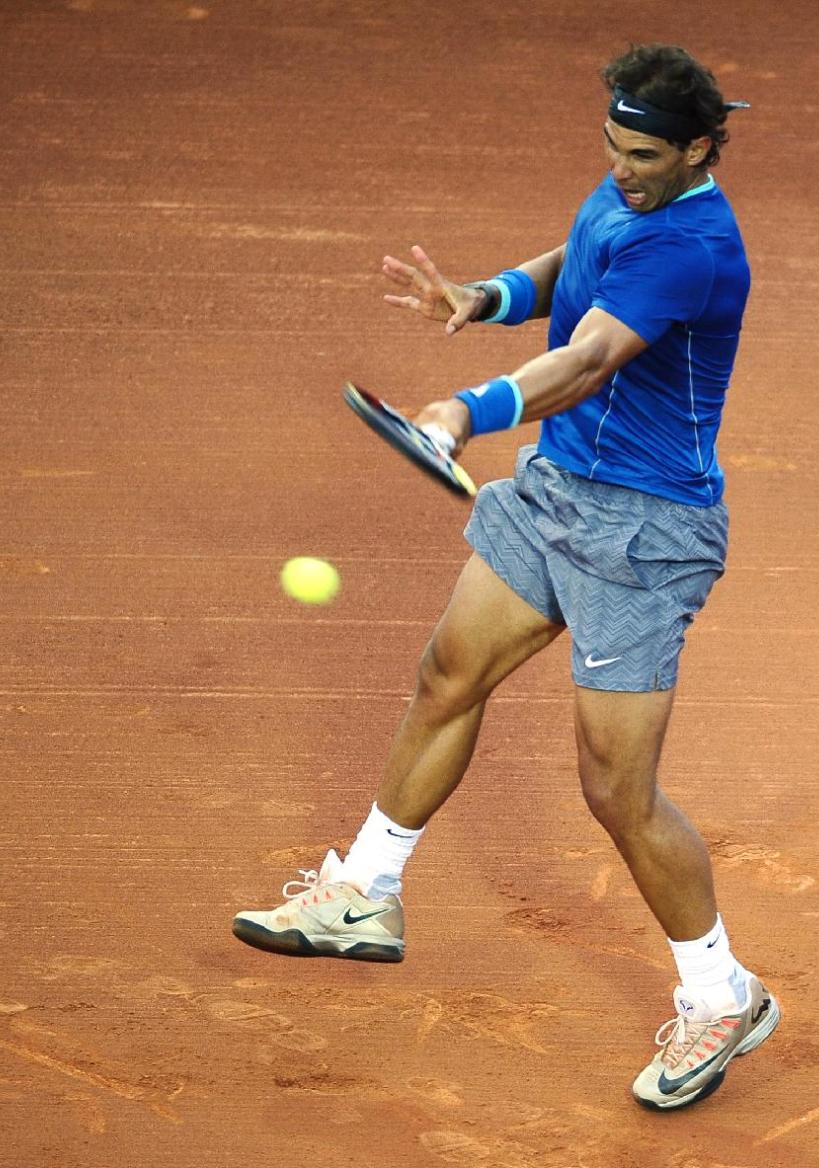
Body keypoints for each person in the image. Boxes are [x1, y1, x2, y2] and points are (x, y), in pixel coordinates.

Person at [233, 42, 780, 1110]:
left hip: (645, 533)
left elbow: (585, 360)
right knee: (447, 671)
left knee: (614, 790)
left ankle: (724, 993)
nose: (622, 169)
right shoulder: (632, 193)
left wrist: (461, 409)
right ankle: (366, 891)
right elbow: (574, 263)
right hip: (557, 492)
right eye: (614, 148)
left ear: (702, 149)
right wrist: (484, 296)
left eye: (645, 155)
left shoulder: (699, 246)